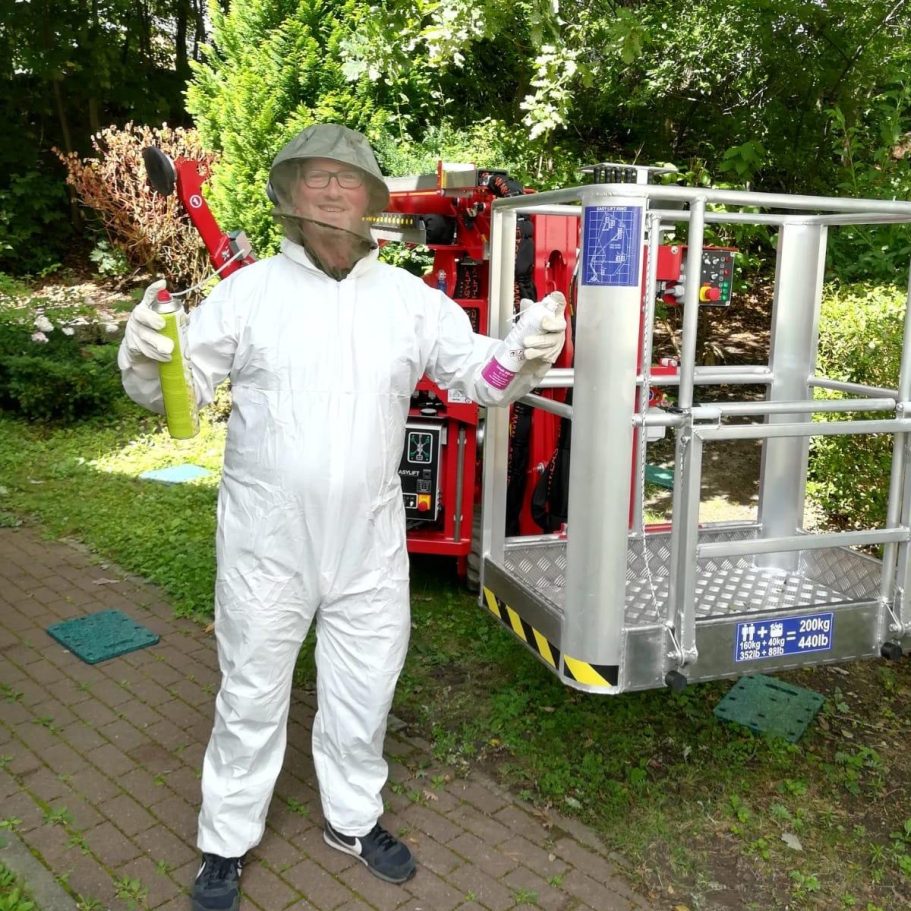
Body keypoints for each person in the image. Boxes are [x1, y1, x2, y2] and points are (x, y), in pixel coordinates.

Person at [119, 123, 567, 911]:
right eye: (314, 176)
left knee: (365, 688)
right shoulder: (249, 293)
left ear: (370, 199)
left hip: (368, 541)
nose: (330, 189)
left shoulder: (408, 300)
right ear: (290, 194)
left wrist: (526, 348)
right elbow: (176, 395)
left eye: (346, 177)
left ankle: (352, 819)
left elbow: (481, 377)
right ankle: (225, 838)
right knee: (250, 692)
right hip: (266, 541)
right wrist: (150, 355)